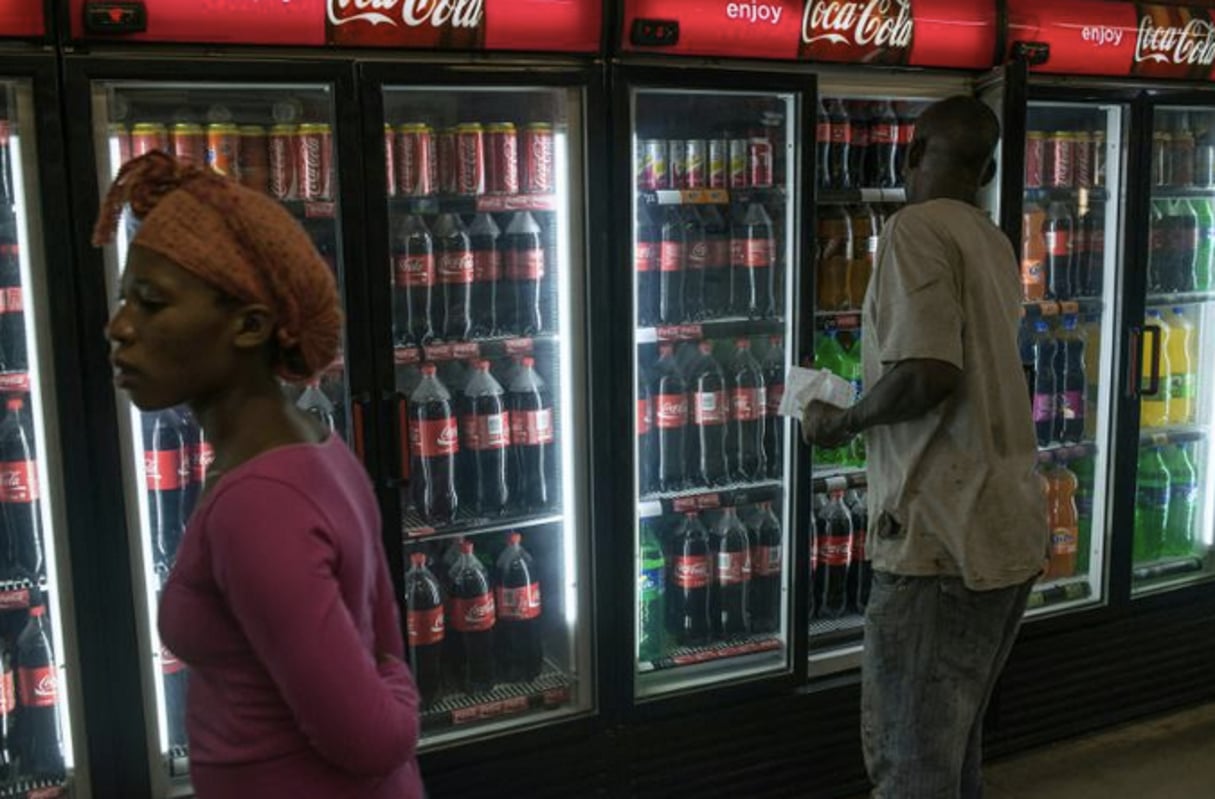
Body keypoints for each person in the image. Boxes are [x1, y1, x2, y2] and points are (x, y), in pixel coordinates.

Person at [94, 151, 423, 798]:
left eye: (151, 303)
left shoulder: (259, 503)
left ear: (249, 326)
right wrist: (393, 680)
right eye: (125, 298)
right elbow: (383, 642)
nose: (119, 328)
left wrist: (401, 697)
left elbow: (372, 737)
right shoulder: (316, 447)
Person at [801, 96, 1048, 799]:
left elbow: (928, 374)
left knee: (909, 766)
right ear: (989, 167)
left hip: (941, 540)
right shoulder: (989, 235)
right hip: (1003, 533)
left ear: (909, 154)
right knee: (951, 752)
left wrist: (841, 421)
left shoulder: (913, 228)